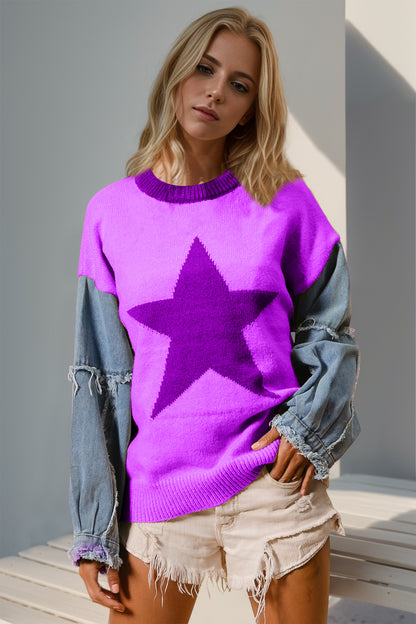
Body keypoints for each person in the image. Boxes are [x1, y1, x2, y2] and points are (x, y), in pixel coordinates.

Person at [67, 7, 360, 624]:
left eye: (239, 84)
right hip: (163, 486)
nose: (216, 92)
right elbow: (101, 377)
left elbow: (329, 329)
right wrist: (95, 527)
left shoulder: (285, 200)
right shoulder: (109, 214)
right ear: (177, 73)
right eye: (205, 69)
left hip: (273, 481)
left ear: (251, 108)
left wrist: (307, 428)